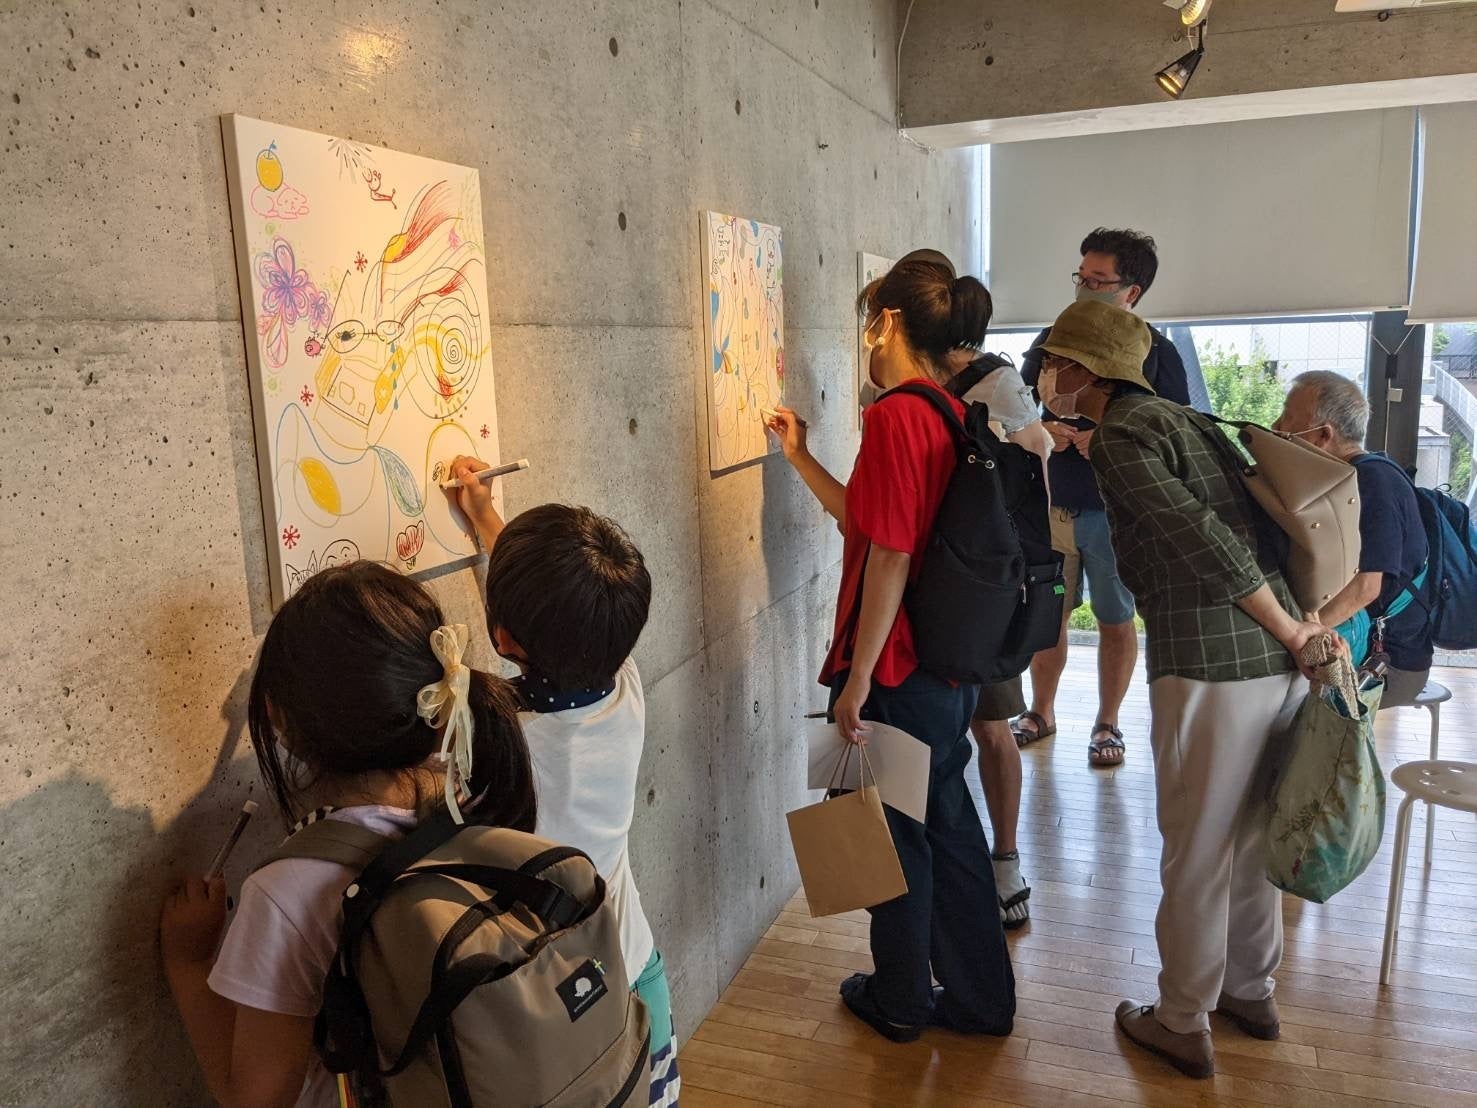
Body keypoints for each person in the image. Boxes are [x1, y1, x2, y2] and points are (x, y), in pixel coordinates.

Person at [1034, 299, 1328, 1078]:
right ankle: (1249, 992)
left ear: (1086, 370)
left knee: (1196, 850)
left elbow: (1204, 541)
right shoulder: (1186, 419)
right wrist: (1292, 631)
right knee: (1251, 838)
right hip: (1269, 665)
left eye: (1055, 361)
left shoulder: (1121, 435)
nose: (1046, 374)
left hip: (1209, 662)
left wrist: (1289, 630)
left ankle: (1179, 1020)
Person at [160, 561, 538, 1108]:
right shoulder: (479, 800)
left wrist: (189, 962)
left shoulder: (286, 892)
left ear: (279, 720)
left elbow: (256, 1100)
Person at [765, 256, 1015, 1042]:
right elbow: (866, 523)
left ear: (891, 322)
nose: (864, 339)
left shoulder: (896, 416)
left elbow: (891, 557)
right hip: (942, 671)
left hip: (898, 673)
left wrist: (857, 683)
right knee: (946, 831)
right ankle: (980, 1000)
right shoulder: (942, 412)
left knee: (889, 840)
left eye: (869, 320)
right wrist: (799, 456)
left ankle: (900, 1000)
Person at [448, 478, 680, 1106]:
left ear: (503, 638)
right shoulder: (623, 683)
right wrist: (487, 517)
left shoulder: (496, 745)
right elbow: (570, 616)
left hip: (559, 1006)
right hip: (636, 968)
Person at [892, 250, 1048, 930]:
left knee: (990, 726)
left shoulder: (997, 385)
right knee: (943, 740)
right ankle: (938, 882)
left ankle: (1004, 859)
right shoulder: (903, 388)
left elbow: (1032, 478)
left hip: (980, 591)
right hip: (933, 587)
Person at [1017, 228, 1193, 767]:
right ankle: (1040, 711)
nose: (1085, 288)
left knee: (1116, 619)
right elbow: (1016, 409)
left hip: (1118, 512)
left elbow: (1178, 433)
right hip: (1051, 503)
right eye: (1082, 277)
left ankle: (1108, 722)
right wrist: (1042, 428)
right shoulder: (1052, 337)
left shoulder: (1157, 352)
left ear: (1131, 291)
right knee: (1048, 616)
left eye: (1098, 280)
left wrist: (1108, 439)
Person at [1273, 371, 1431, 705]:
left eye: (1286, 415)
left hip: (1387, 661)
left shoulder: (1373, 481)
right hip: (1362, 642)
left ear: (1323, 435)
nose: (1275, 426)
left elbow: (1366, 588)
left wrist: (1296, 635)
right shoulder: (1347, 478)